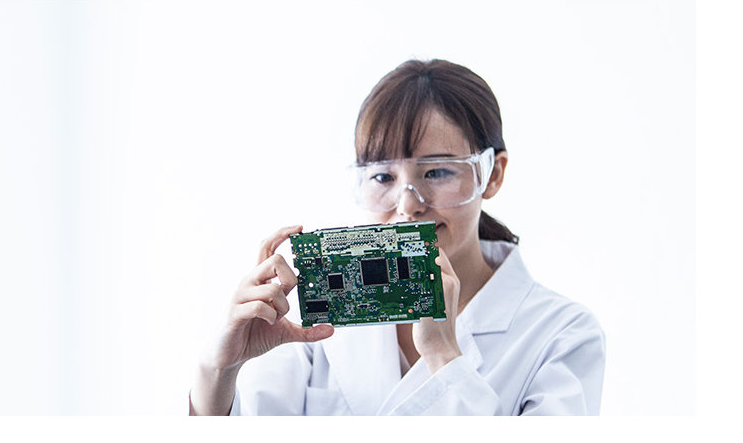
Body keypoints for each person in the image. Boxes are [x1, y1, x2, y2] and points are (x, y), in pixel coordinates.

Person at [189, 59, 606, 416]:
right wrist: (219, 370)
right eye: (383, 177)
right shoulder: (314, 320)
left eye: (438, 172)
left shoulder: (561, 333)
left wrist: (444, 355)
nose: (408, 206)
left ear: (492, 174)